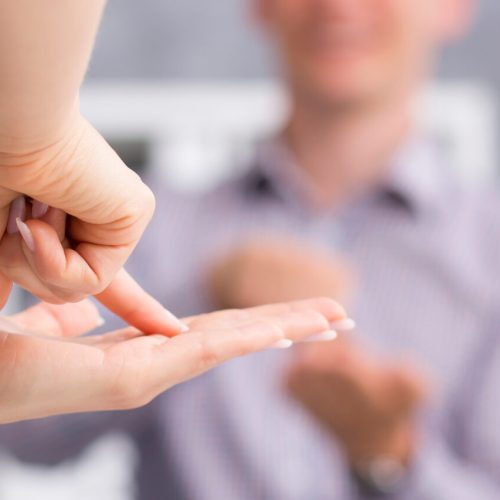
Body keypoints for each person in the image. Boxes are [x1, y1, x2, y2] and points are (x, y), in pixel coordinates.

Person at [2, 0, 500, 498]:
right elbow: (27, 435)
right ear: (262, 6)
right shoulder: (149, 223)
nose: (339, 6)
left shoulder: (490, 247)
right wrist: (195, 297)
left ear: (453, 8)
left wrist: (388, 454)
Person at [0, 0, 348, 423]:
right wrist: (34, 151)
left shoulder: (454, 238)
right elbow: (35, 443)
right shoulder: (169, 216)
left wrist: (388, 460)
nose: (340, 6)